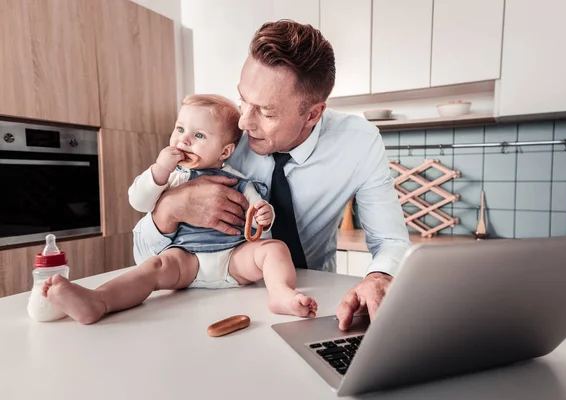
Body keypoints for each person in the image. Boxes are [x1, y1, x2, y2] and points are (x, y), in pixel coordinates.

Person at [134, 20, 411, 330]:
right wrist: (170, 209)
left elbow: (390, 240)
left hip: (314, 301)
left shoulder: (358, 142)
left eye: (265, 112)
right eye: (242, 100)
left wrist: (379, 276)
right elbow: (142, 256)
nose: (244, 123)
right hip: (212, 302)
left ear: (312, 114)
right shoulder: (219, 136)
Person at [40, 94, 317, 325]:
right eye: (179, 129)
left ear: (225, 151)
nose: (183, 141)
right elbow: (138, 201)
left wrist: (264, 216)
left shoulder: (239, 180)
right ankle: (98, 301)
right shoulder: (171, 177)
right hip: (186, 260)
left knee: (275, 248)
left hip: (234, 259)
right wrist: (160, 170)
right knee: (154, 266)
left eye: (198, 135)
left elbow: (259, 221)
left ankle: (280, 293)